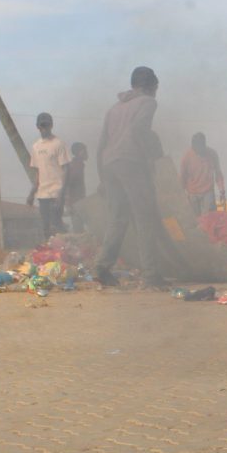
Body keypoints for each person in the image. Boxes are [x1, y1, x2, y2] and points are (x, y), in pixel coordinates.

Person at [94, 66, 166, 287]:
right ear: (151, 86)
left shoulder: (114, 108)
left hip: (109, 165)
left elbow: (101, 144)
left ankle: (102, 267)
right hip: (130, 162)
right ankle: (151, 275)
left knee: (118, 217)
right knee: (145, 217)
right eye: (156, 87)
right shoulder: (147, 102)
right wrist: (151, 158)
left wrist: (102, 178)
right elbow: (138, 130)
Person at [26, 112, 69, 239]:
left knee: (56, 225)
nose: (44, 128)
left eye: (47, 125)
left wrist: (62, 194)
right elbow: (38, 172)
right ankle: (49, 255)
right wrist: (31, 194)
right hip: (42, 193)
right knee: (46, 227)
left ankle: (64, 252)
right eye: (42, 126)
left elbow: (66, 169)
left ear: (51, 125)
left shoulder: (58, 143)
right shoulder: (35, 147)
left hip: (56, 192)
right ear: (38, 127)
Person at [179, 132, 226, 217]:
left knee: (209, 220)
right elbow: (182, 177)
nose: (198, 151)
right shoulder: (186, 157)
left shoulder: (212, 154)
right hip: (192, 193)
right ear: (193, 146)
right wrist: (182, 194)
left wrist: (222, 190)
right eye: (196, 148)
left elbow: (218, 174)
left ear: (204, 145)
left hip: (208, 192)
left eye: (200, 147)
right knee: (194, 221)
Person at [65, 141, 89, 232]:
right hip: (76, 203)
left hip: (78, 202)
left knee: (79, 228)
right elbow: (68, 183)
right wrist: (69, 204)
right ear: (81, 152)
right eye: (86, 151)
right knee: (79, 229)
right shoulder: (76, 165)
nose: (87, 154)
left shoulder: (78, 164)